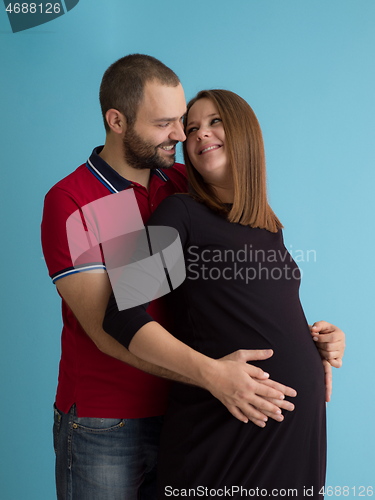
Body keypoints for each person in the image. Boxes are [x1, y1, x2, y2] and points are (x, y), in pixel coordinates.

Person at [41, 53, 345, 499]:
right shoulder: (72, 201)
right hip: (109, 421)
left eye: (183, 120)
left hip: (193, 406)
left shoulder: (184, 181)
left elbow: (233, 291)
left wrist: (305, 339)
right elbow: (110, 324)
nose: (183, 135)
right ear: (117, 121)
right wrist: (213, 376)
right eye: (166, 123)